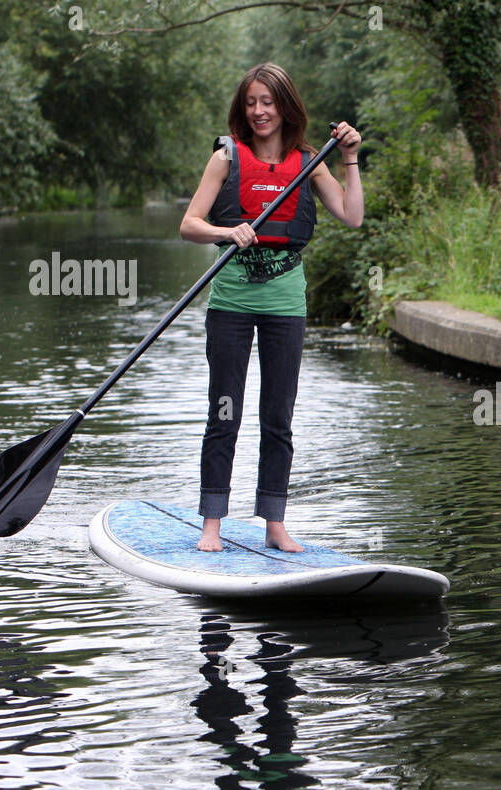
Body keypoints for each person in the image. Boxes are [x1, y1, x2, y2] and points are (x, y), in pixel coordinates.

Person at [180, 62, 362, 552]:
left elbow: (352, 216)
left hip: (285, 302)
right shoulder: (226, 157)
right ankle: (212, 523)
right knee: (225, 412)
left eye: (268, 101)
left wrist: (350, 158)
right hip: (232, 301)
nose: (259, 111)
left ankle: (274, 522)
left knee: (278, 416)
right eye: (251, 102)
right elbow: (189, 224)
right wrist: (226, 231)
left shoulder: (310, 160)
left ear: (285, 106)